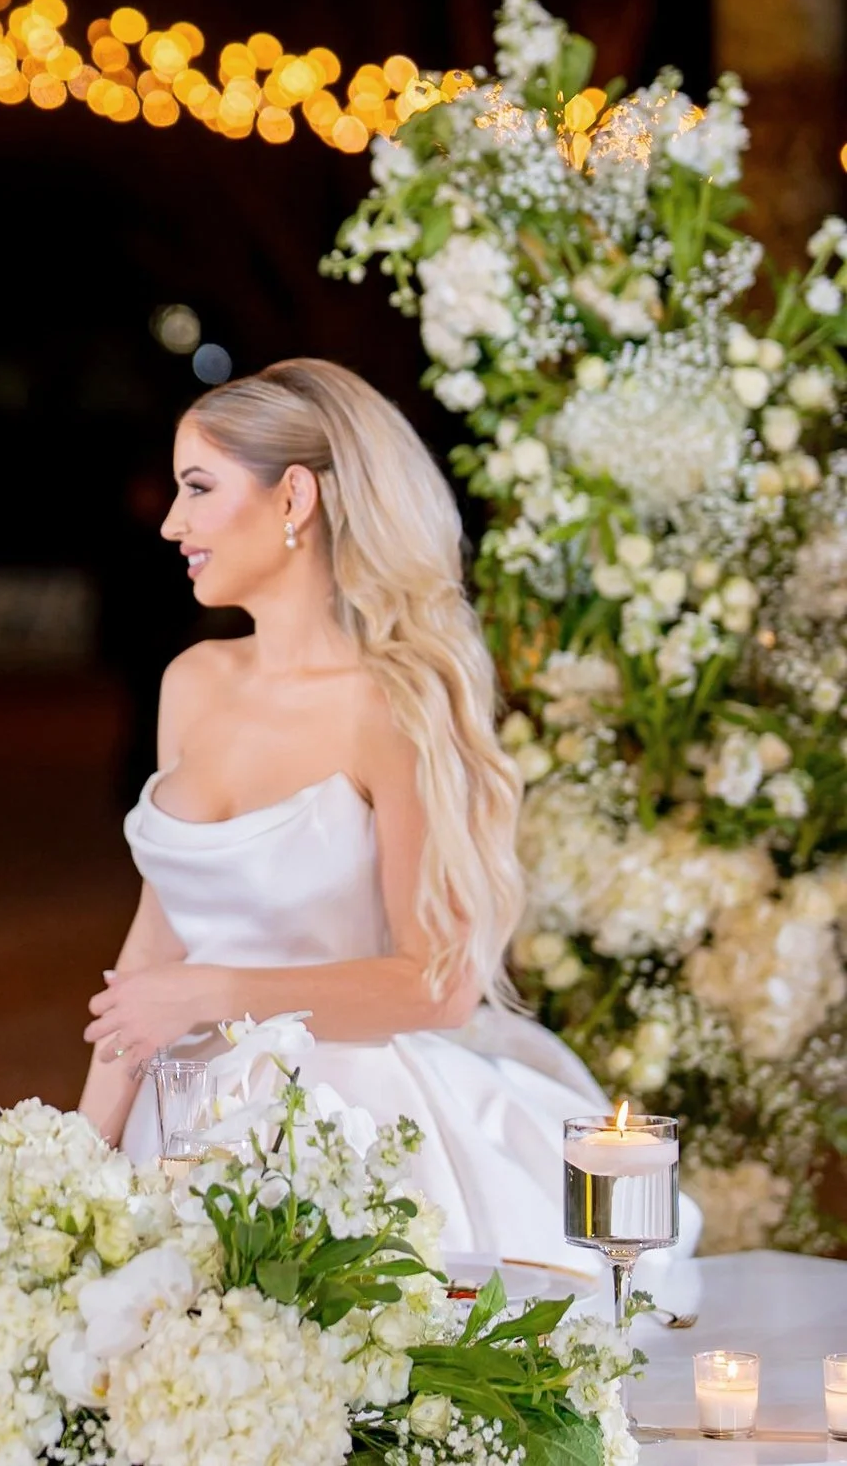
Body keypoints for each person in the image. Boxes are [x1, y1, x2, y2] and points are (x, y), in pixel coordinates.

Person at [76, 358, 683, 1272]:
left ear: (294, 499)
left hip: (348, 1120)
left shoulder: (392, 706)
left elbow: (437, 984)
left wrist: (213, 995)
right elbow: (159, 937)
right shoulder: (190, 683)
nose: (172, 522)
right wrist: (75, 1161)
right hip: (182, 1115)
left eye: (198, 487)